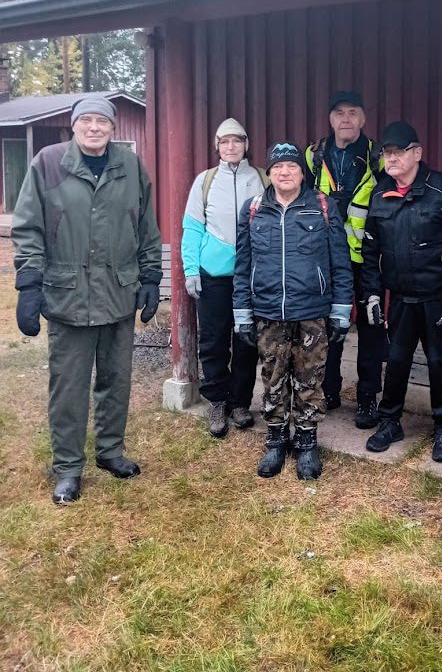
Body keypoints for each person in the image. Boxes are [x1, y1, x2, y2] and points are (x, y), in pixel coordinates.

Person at [12, 97, 162, 506]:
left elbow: (145, 225)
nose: (94, 128)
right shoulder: (48, 162)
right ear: (74, 125)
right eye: (87, 121)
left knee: (117, 380)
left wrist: (151, 275)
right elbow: (28, 227)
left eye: (102, 121)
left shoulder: (130, 165)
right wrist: (29, 283)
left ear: (113, 128)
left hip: (118, 291)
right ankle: (67, 467)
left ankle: (110, 451)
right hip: (69, 294)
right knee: (69, 387)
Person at [360, 121, 442, 463]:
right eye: (386, 153)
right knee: (396, 362)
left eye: (398, 152)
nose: (391, 158)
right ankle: (389, 422)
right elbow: (370, 249)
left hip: (437, 298)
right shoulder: (379, 194)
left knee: (439, 363)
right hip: (400, 299)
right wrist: (372, 294)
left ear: (417, 153)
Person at [233, 142, 353, 480]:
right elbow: (242, 265)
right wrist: (242, 313)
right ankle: (275, 440)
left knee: (310, 378)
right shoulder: (253, 209)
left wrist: (341, 311)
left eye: (292, 166)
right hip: (268, 310)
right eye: (278, 167)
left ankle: (307, 441)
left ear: (303, 173)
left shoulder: (323, 207)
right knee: (273, 378)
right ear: (269, 173)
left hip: (312, 311)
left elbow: (340, 262)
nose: (284, 172)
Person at [181, 118, 266, 438]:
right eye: (225, 142)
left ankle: (240, 402)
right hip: (213, 276)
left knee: (246, 341)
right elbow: (192, 228)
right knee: (213, 341)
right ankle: (217, 401)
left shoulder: (261, 179)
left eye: (237, 141)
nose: (231, 147)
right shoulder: (205, 181)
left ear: (246, 144)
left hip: (251, 276)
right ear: (217, 146)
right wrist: (191, 269)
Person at [306, 90, 385, 428]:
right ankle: (329, 389)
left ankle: (367, 397)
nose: (346, 119)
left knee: (370, 327)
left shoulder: (378, 156)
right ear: (331, 119)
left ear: (363, 119)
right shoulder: (313, 155)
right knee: (329, 325)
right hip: (327, 256)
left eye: (353, 112)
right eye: (339, 113)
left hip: (367, 256)